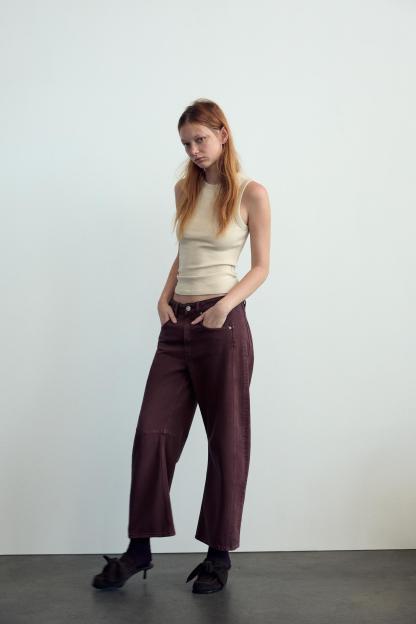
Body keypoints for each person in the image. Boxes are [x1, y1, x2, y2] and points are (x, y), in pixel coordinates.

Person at [92, 98, 271, 594]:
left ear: (223, 135)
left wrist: (224, 307)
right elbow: (185, 251)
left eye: (201, 139)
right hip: (177, 326)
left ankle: (218, 557)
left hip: (222, 327)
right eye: (186, 143)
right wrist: (163, 295)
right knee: (152, 433)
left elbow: (261, 267)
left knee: (226, 440)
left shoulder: (252, 193)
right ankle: (139, 550)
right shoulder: (184, 190)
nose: (193, 150)